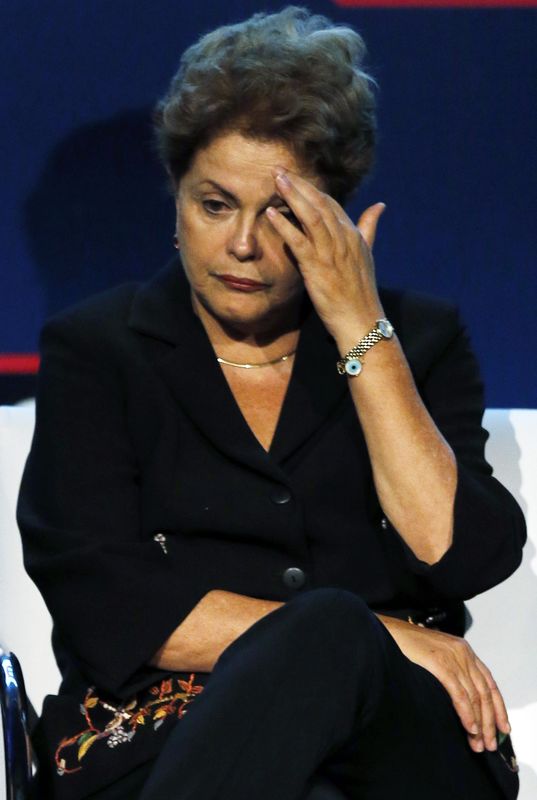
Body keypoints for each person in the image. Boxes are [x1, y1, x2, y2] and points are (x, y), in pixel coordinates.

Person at [17, 7, 526, 800]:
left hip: (398, 743)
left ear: (334, 212)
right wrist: (364, 634)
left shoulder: (417, 340)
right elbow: (105, 602)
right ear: (176, 205)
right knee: (327, 640)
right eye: (214, 205)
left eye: (282, 213)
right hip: (165, 733)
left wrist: (361, 328)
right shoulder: (98, 352)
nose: (244, 245)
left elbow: (458, 553)